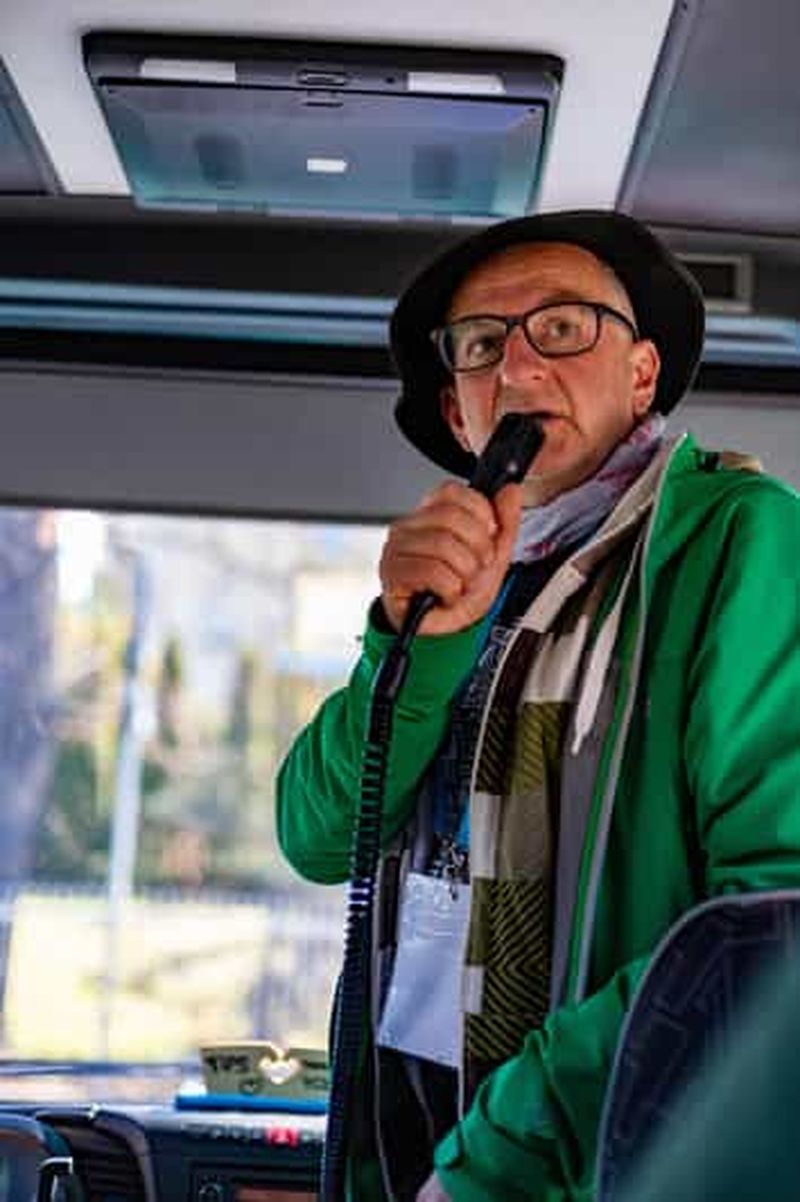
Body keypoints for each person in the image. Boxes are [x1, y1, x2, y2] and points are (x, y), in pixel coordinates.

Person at [276, 210, 800, 1202]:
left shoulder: (740, 541)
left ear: (640, 374)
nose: (517, 368)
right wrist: (408, 641)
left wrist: (505, 1153)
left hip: (587, 1161)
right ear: (457, 411)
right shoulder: (452, 582)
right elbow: (316, 833)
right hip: (412, 1134)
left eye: (561, 328)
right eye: (482, 345)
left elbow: (769, 936)